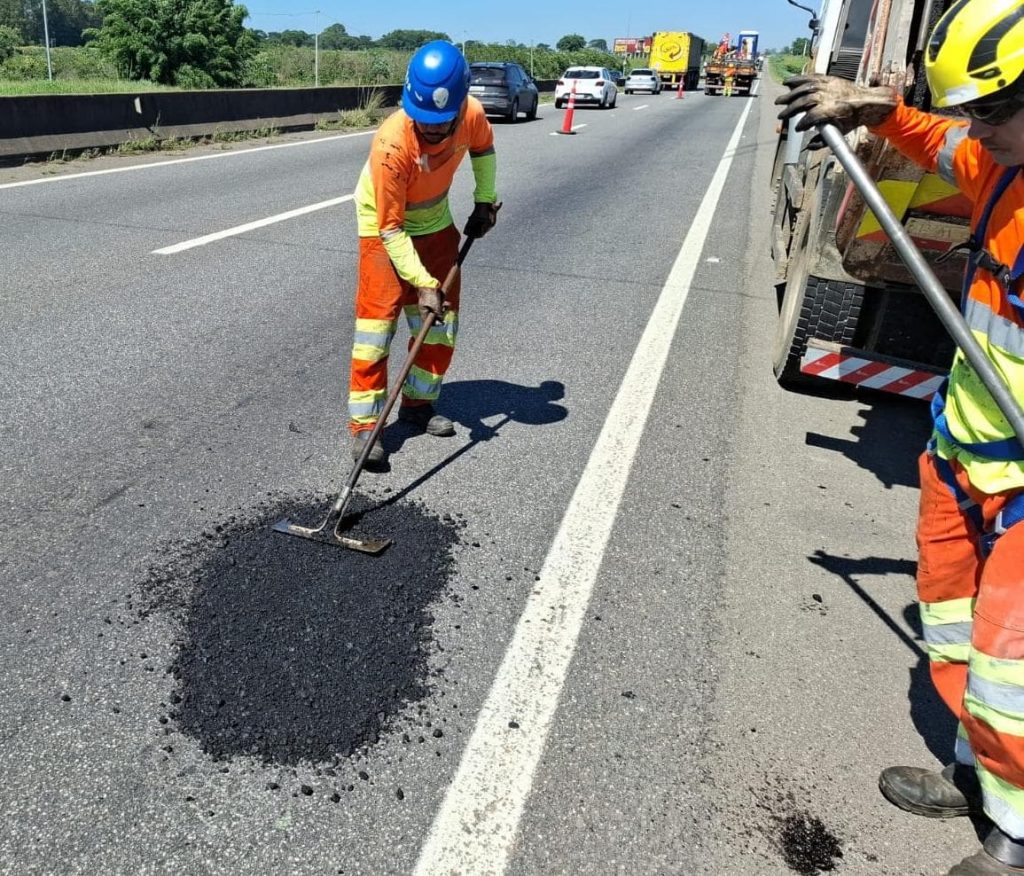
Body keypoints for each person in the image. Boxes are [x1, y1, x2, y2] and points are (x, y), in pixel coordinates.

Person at [777, 1, 1024, 873]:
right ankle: (971, 774)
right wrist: (868, 106)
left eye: (992, 112)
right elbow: (931, 139)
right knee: (954, 631)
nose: (977, 130)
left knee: (1014, 667)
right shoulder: (997, 165)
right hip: (965, 451)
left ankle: (1015, 840)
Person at [348, 40, 499, 464]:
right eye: (423, 121)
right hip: (383, 228)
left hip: (434, 224)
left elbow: (484, 149)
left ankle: (417, 405)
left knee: (440, 325)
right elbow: (391, 228)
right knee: (375, 333)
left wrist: (485, 201)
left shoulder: (470, 113)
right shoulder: (391, 145)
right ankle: (365, 429)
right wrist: (422, 284)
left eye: (440, 123)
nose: (431, 130)